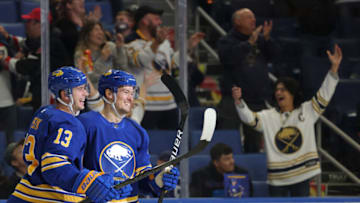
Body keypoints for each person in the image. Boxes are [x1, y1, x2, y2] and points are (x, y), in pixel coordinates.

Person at [232, 44, 342, 197]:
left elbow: (325, 93)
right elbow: (250, 119)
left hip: (302, 174)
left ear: (292, 93)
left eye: (283, 89)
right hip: (278, 179)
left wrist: (334, 69)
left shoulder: (307, 110)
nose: (278, 93)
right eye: (276, 90)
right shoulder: (268, 115)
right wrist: (239, 103)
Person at [7, 66, 122, 202]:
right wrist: (87, 183)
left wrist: (98, 178)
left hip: (23, 194)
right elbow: (53, 167)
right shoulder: (68, 123)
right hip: (48, 197)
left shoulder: (44, 113)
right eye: (80, 89)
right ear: (65, 94)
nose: (85, 93)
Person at [77, 69, 180, 202]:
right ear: (109, 93)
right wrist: (93, 182)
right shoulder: (85, 124)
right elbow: (70, 170)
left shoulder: (138, 131)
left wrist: (158, 180)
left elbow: (141, 179)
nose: (131, 98)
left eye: (133, 93)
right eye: (126, 92)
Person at [125, 5, 204, 130]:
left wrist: (188, 47)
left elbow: (171, 64)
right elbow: (140, 61)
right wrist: (156, 43)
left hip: (168, 104)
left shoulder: (164, 42)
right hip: (145, 105)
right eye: (156, 19)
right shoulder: (131, 41)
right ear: (144, 21)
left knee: (172, 145)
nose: (160, 22)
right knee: (144, 145)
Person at [217, 8, 280, 153]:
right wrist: (249, 43)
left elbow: (276, 55)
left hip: (256, 100)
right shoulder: (226, 41)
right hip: (232, 100)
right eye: (248, 18)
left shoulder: (260, 40)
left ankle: (250, 173)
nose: (253, 21)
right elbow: (228, 58)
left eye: (253, 17)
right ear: (237, 22)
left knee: (254, 144)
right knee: (227, 143)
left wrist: (268, 39)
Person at [4, 8, 71, 111]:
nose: (26, 25)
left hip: (52, 97)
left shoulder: (49, 44)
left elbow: (26, 66)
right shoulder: (41, 39)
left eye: (29, 22)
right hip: (43, 93)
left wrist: (4, 59)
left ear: (40, 25)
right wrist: (7, 37)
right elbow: (26, 44)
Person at [74, 20, 127, 89]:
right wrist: (102, 59)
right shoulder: (82, 54)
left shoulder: (109, 47)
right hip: (94, 92)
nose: (100, 33)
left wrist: (120, 49)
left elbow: (122, 68)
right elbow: (89, 78)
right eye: (96, 30)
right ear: (87, 34)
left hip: (114, 89)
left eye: (101, 30)